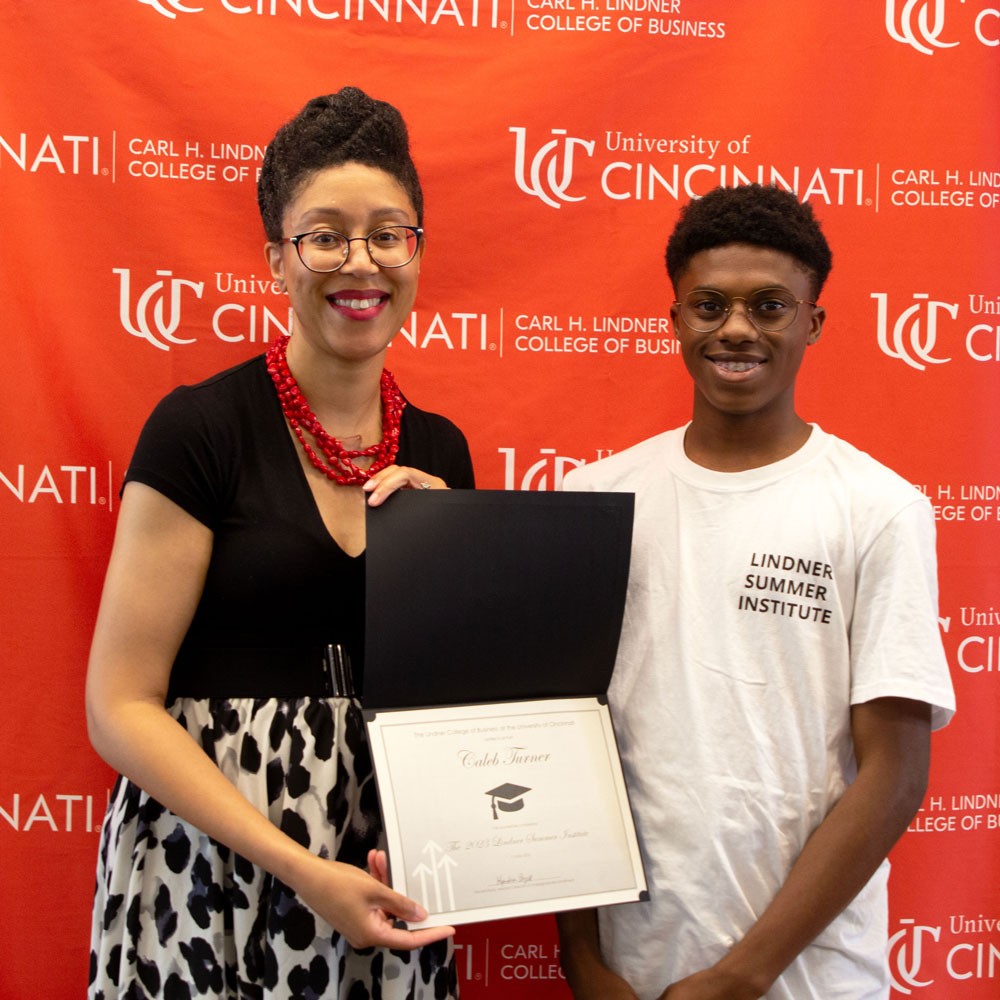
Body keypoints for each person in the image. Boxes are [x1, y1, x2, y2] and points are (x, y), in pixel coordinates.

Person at [86, 88, 473, 1000]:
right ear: (276, 258)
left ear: (417, 251)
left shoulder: (441, 450)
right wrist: (298, 867)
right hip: (209, 868)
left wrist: (460, 557)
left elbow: (460, 709)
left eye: (390, 233)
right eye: (324, 235)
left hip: (383, 873)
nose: (361, 261)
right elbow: (120, 705)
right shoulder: (200, 429)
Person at [557, 184, 955, 1000]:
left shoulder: (878, 509)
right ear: (675, 321)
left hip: (810, 978)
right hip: (634, 970)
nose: (737, 328)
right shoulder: (595, 497)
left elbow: (896, 772)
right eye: (709, 305)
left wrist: (744, 974)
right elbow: (563, 738)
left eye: (769, 306)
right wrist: (582, 958)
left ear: (812, 322)